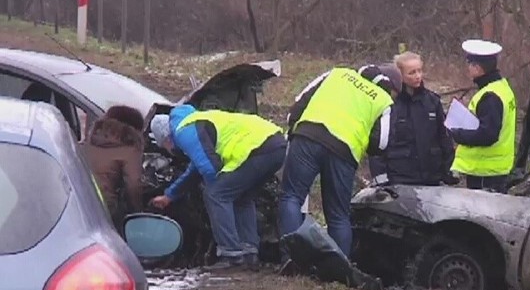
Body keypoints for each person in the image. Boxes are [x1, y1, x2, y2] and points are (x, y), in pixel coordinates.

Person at [278, 64, 401, 265]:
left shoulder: (337, 74)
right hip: (344, 153)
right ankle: (339, 268)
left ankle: (290, 257)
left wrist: (294, 126)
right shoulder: (383, 101)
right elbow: (382, 144)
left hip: (308, 136)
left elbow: (300, 101)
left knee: (292, 197)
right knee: (338, 215)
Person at [149, 105, 287, 270]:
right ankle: (249, 253)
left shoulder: (183, 131)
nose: (170, 151)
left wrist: (215, 192)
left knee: (216, 194)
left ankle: (231, 255)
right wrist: (169, 195)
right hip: (275, 145)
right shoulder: (195, 121)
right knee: (242, 197)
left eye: (165, 147)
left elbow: (209, 169)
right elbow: (195, 170)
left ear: (166, 138)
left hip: (258, 149)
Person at [368, 51, 456, 186]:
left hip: (431, 176)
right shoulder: (390, 104)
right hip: (400, 177)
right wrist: (380, 176)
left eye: (420, 71)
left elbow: (444, 138)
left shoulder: (432, 101)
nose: (418, 76)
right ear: (400, 75)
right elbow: (378, 142)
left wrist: (449, 169)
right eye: (412, 72)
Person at [449, 39, 517, 193]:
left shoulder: (490, 96)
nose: (468, 69)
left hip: (484, 172)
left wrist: (457, 134)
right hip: (496, 168)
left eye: (470, 65)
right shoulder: (502, 87)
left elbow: (488, 135)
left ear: (477, 68)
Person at [81, 104, 145, 230]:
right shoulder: (130, 148)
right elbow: (133, 185)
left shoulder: (90, 140)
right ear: (136, 129)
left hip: (79, 200)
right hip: (104, 207)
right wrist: (138, 213)